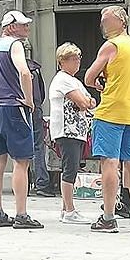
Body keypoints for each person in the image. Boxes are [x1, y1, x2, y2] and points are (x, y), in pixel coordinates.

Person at [84, 5, 130, 234]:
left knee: (110, 163)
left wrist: (98, 84)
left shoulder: (112, 45)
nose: (102, 23)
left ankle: (109, 217)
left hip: (111, 111)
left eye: (106, 19)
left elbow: (89, 76)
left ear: (121, 22)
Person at [0, 10, 43, 229]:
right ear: (11, 27)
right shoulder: (14, 45)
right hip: (14, 107)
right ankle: (21, 214)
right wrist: (29, 100)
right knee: (21, 161)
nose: (27, 28)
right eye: (23, 25)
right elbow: (25, 73)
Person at [48, 43, 96, 223]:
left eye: (79, 58)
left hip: (77, 130)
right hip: (68, 130)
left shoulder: (74, 81)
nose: (78, 62)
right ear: (62, 61)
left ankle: (65, 208)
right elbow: (84, 103)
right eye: (73, 59)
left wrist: (86, 100)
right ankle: (69, 210)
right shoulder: (63, 79)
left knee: (73, 168)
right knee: (70, 169)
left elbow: (90, 100)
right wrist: (85, 101)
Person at [28, 53, 55, 197]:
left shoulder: (12, 68)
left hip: (18, 108)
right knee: (38, 147)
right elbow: (42, 93)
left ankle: (23, 184)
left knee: (19, 149)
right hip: (35, 109)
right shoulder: (35, 69)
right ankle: (42, 184)